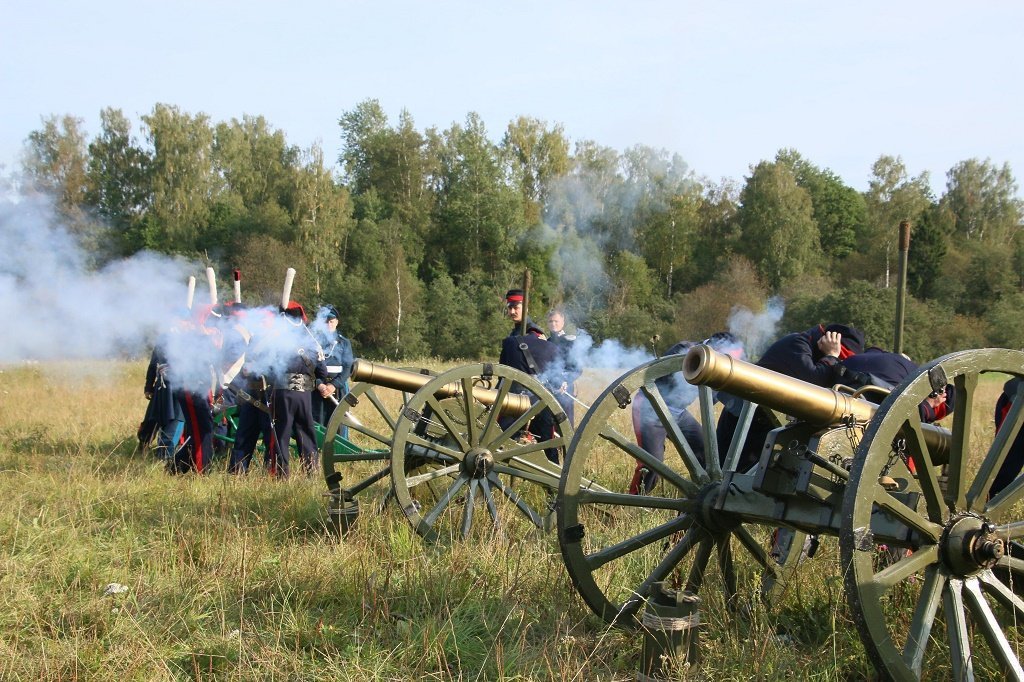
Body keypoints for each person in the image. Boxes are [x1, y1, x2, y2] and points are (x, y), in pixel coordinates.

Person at [715, 323, 865, 473]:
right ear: (827, 341)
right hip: (745, 421)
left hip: (765, 424)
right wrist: (831, 356)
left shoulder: (811, 351)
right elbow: (813, 382)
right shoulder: (797, 343)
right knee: (729, 476)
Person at [628, 333, 745, 494]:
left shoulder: (717, 366)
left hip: (678, 413)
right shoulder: (684, 349)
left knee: (708, 453)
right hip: (651, 408)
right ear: (715, 348)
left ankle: (703, 495)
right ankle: (634, 502)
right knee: (652, 464)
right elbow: (650, 376)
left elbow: (711, 399)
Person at [499, 289, 561, 464]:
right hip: (516, 396)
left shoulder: (535, 334)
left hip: (535, 399)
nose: (512, 311)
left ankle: (556, 486)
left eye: (516, 307)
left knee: (548, 450)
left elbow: (546, 364)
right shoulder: (514, 334)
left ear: (525, 306)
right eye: (509, 307)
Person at [269, 301, 330, 477]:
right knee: (306, 434)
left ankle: (281, 475)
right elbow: (322, 371)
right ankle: (311, 473)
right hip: (304, 396)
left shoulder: (278, 338)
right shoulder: (311, 340)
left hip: (283, 394)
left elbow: (268, 368)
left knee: (282, 435)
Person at [311, 304, 354, 430]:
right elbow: (309, 367)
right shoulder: (314, 341)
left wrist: (333, 385)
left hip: (338, 388)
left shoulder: (344, 343)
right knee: (317, 424)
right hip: (317, 388)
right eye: (325, 322)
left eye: (331, 321)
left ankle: (337, 449)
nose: (328, 325)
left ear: (337, 322)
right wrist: (319, 384)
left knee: (338, 425)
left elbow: (347, 368)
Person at [546, 308, 582, 426]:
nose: (553, 324)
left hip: (565, 387)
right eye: (551, 321)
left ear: (563, 322)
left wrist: (566, 381)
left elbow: (577, 369)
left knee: (565, 422)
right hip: (549, 386)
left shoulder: (570, 342)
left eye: (556, 321)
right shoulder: (547, 342)